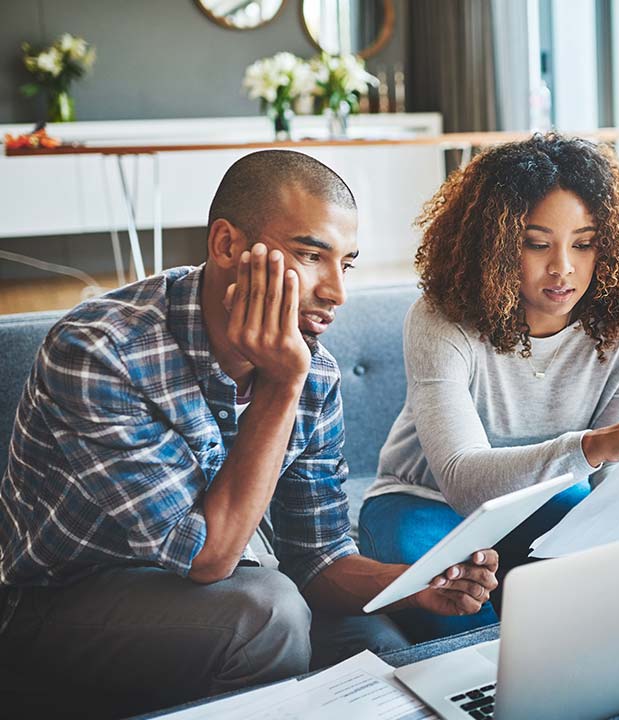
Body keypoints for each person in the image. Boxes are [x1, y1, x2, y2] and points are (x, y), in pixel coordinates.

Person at [0, 150, 498, 719]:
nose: (336, 291)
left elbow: (318, 557)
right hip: (61, 605)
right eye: (311, 255)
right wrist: (281, 386)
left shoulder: (315, 371)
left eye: (347, 263)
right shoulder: (100, 352)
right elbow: (206, 558)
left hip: (230, 585)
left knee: (385, 652)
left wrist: (419, 582)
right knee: (270, 613)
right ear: (227, 245)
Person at [359, 134, 619, 643]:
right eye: (537, 243)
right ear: (493, 246)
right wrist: (595, 445)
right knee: (461, 612)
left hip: (546, 498)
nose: (563, 267)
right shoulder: (440, 322)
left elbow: (614, 483)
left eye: (584, 243)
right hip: (422, 501)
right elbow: (461, 479)